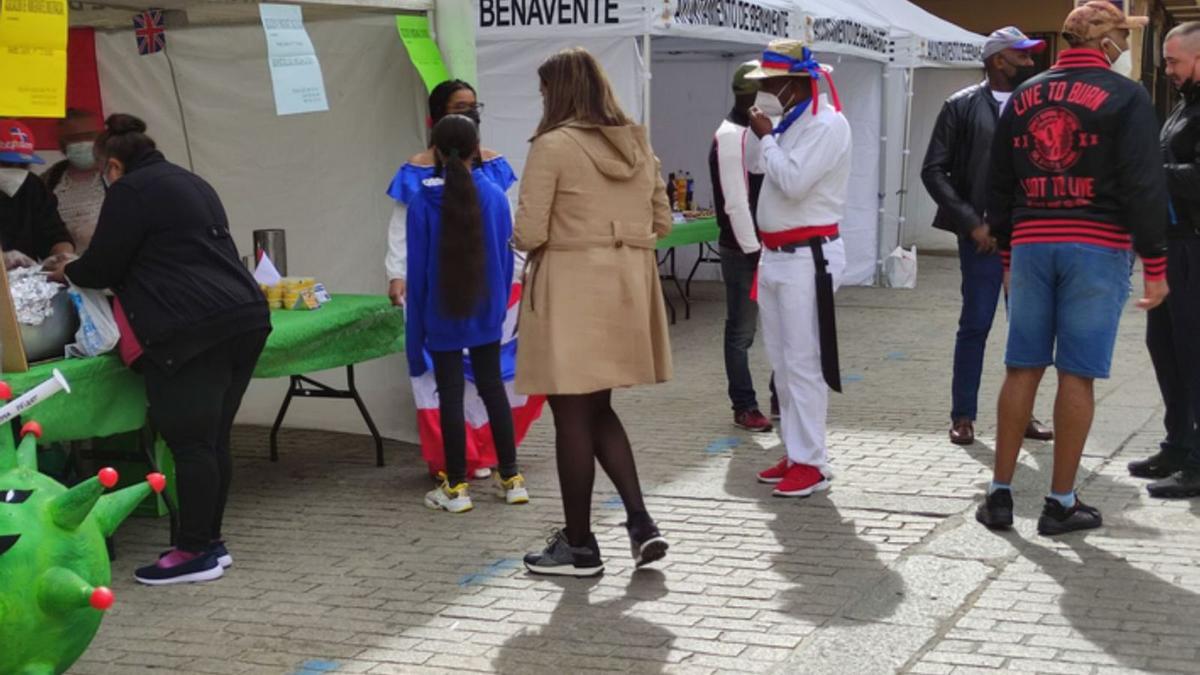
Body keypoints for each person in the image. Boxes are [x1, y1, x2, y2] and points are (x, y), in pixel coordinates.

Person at [47, 114, 271, 584]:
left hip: (190, 328)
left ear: (112, 166)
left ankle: (192, 553)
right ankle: (209, 542)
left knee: (190, 441)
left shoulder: (131, 191)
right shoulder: (190, 181)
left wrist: (68, 269)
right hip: (243, 316)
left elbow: (103, 265)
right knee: (211, 440)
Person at [978, 1, 1169, 536]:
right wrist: (1154, 262)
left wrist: (1011, 254)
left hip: (1034, 244)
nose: (1127, 47)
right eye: (1123, 38)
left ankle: (999, 495)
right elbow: (1143, 184)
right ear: (1106, 43)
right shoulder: (1126, 96)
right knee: (1077, 374)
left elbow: (999, 183)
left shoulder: (1022, 95)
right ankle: (1060, 502)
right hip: (1096, 244)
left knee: (1022, 367)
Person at [515, 47, 672, 577]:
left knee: (572, 415)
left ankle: (580, 544)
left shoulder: (553, 145)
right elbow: (663, 220)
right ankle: (640, 522)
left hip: (570, 284)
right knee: (597, 409)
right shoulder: (637, 143)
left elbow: (529, 232)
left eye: (543, 92)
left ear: (556, 92)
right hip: (626, 284)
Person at [386, 79, 533, 481]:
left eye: (473, 106)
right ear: (437, 115)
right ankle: (489, 470)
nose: (469, 112)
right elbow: (403, 235)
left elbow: (507, 233)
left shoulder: (492, 170)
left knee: (479, 386)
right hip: (472, 297)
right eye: (459, 106)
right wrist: (397, 273)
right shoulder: (416, 175)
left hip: (466, 299)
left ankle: (476, 467)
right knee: (458, 387)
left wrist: (515, 279)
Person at [922, 27, 1054, 447]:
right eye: (1023, 56)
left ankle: (1023, 413)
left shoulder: (1035, 104)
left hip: (1027, 239)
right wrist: (970, 222)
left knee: (1027, 329)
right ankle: (963, 415)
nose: (1032, 63)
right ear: (999, 60)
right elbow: (934, 170)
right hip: (982, 240)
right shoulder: (960, 105)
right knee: (975, 325)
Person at [743, 40, 850, 498]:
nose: (764, 89)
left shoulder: (828, 125)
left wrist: (767, 135)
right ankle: (797, 450)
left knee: (803, 363)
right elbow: (755, 166)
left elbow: (791, 182)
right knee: (783, 364)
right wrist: (762, 132)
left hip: (809, 256)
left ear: (794, 84)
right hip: (779, 256)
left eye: (770, 83)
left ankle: (813, 461)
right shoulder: (789, 124)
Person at [1134, 21, 1200, 498]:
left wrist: (1152, 173)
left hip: (1193, 244)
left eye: (1174, 61)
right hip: (1170, 244)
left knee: (1193, 352)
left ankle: (1197, 462)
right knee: (1166, 348)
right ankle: (1178, 443)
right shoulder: (1183, 106)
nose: (1168, 70)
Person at [711, 60, 775, 433]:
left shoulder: (752, 130)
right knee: (741, 333)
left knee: (777, 328)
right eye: (765, 89)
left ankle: (776, 394)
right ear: (748, 94)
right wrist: (755, 252)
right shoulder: (731, 136)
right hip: (744, 250)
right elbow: (735, 203)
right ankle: (744, 405)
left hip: (763, 248)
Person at [0, 119, 74, 268]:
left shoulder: (32, 185)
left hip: (23, 284)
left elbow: (54, 232)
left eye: (22, 165)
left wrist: (62, 256)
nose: (14, 171)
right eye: (6, 164)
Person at [42, 109, 106, 253]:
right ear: (61, 142)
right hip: (65, 269)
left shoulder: (121, 176)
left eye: (89, 136)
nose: (82, 142)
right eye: (74, 138)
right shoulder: (48, 181)